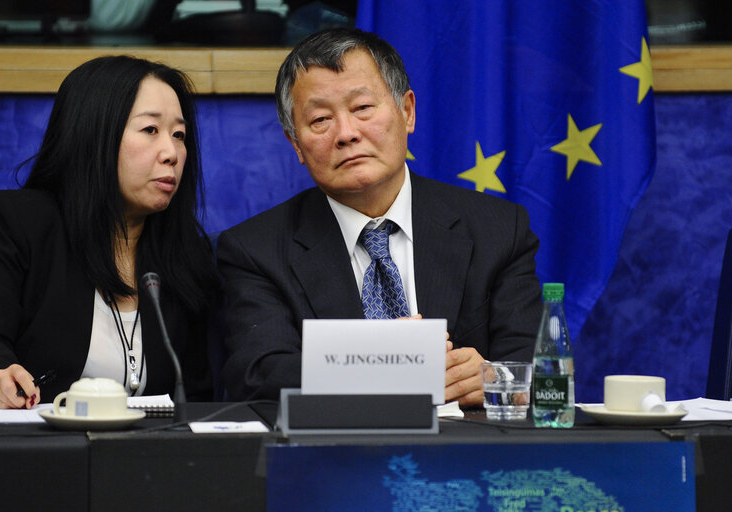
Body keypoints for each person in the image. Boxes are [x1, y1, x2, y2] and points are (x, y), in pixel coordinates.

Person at [216, 28, 542, 406]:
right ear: (296, 144)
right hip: (335, 457)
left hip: (466, 458)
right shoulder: (256, 250)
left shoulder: (497, 229)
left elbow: (535, 368)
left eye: (362, 108)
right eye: (320, 119)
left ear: (407, 112)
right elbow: (257, 373)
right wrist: (382, 360)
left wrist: (494, 377)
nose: (346, 133)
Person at [0, 56, 218, 408]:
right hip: (42, 450)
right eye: (150, 130)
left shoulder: (186, 252)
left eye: (179, 135)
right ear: (94, 132)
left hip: (148, 455)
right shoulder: (18, 223)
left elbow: (195, 393)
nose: (171, 152)